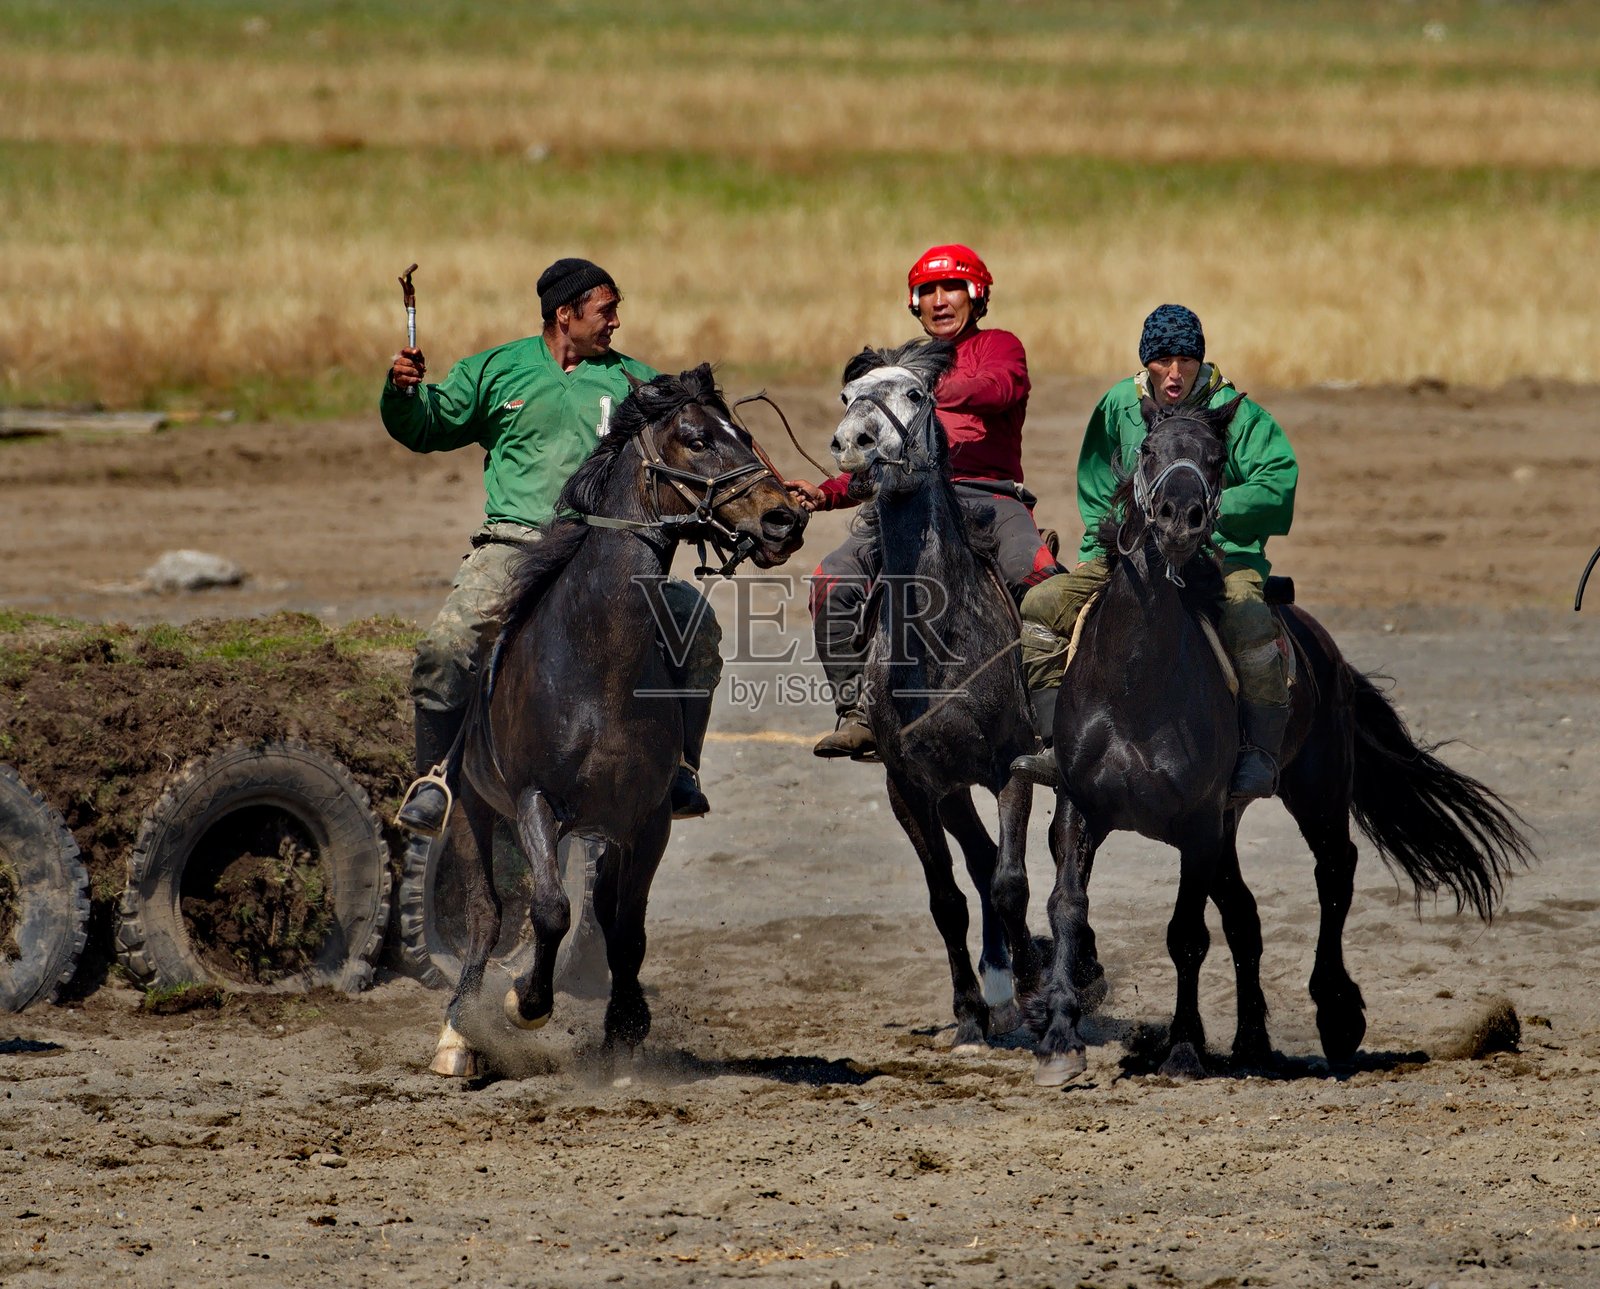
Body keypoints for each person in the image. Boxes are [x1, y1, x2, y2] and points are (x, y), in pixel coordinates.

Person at [382, 257, 723, 835]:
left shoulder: (636, 383)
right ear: (565, 315)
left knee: (699, 628)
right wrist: (402, 392)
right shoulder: (496, 370)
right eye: (606, 310)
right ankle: (435, 777)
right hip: (515, 545)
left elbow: (694, 448)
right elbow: (426, 426)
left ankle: (683, 768)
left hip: (606, 552)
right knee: (448, 642)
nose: (616, 322)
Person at [1010, 303, 1298, 800]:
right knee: (1040, 608)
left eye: (1187, 359)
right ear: (1147, 361)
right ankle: (1058, 743)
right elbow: (1099, 482)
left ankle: (1259, 753)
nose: (1175, 371)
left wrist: (1206, 510)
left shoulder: (1237, 413)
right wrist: (1100, 548)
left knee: (1251, 625)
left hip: (1222, 553)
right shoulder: (1120, 404)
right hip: (1131, 552)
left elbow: (1277, 482)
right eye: (1163, 359)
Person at [792, 244, 1059, 760]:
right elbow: (882, 457)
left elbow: (997, 390)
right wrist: (824, 495)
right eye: (928, 291)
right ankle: (857, 711)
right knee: (832, 580)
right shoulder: (900, 369)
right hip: (904, 498)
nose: (939, 300)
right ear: (915, 303)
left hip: (989, 497)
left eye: (951, 288)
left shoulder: (999, 347)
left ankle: (1049, 721)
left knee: (1037, 577)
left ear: (976, 296)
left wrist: (916, 387)